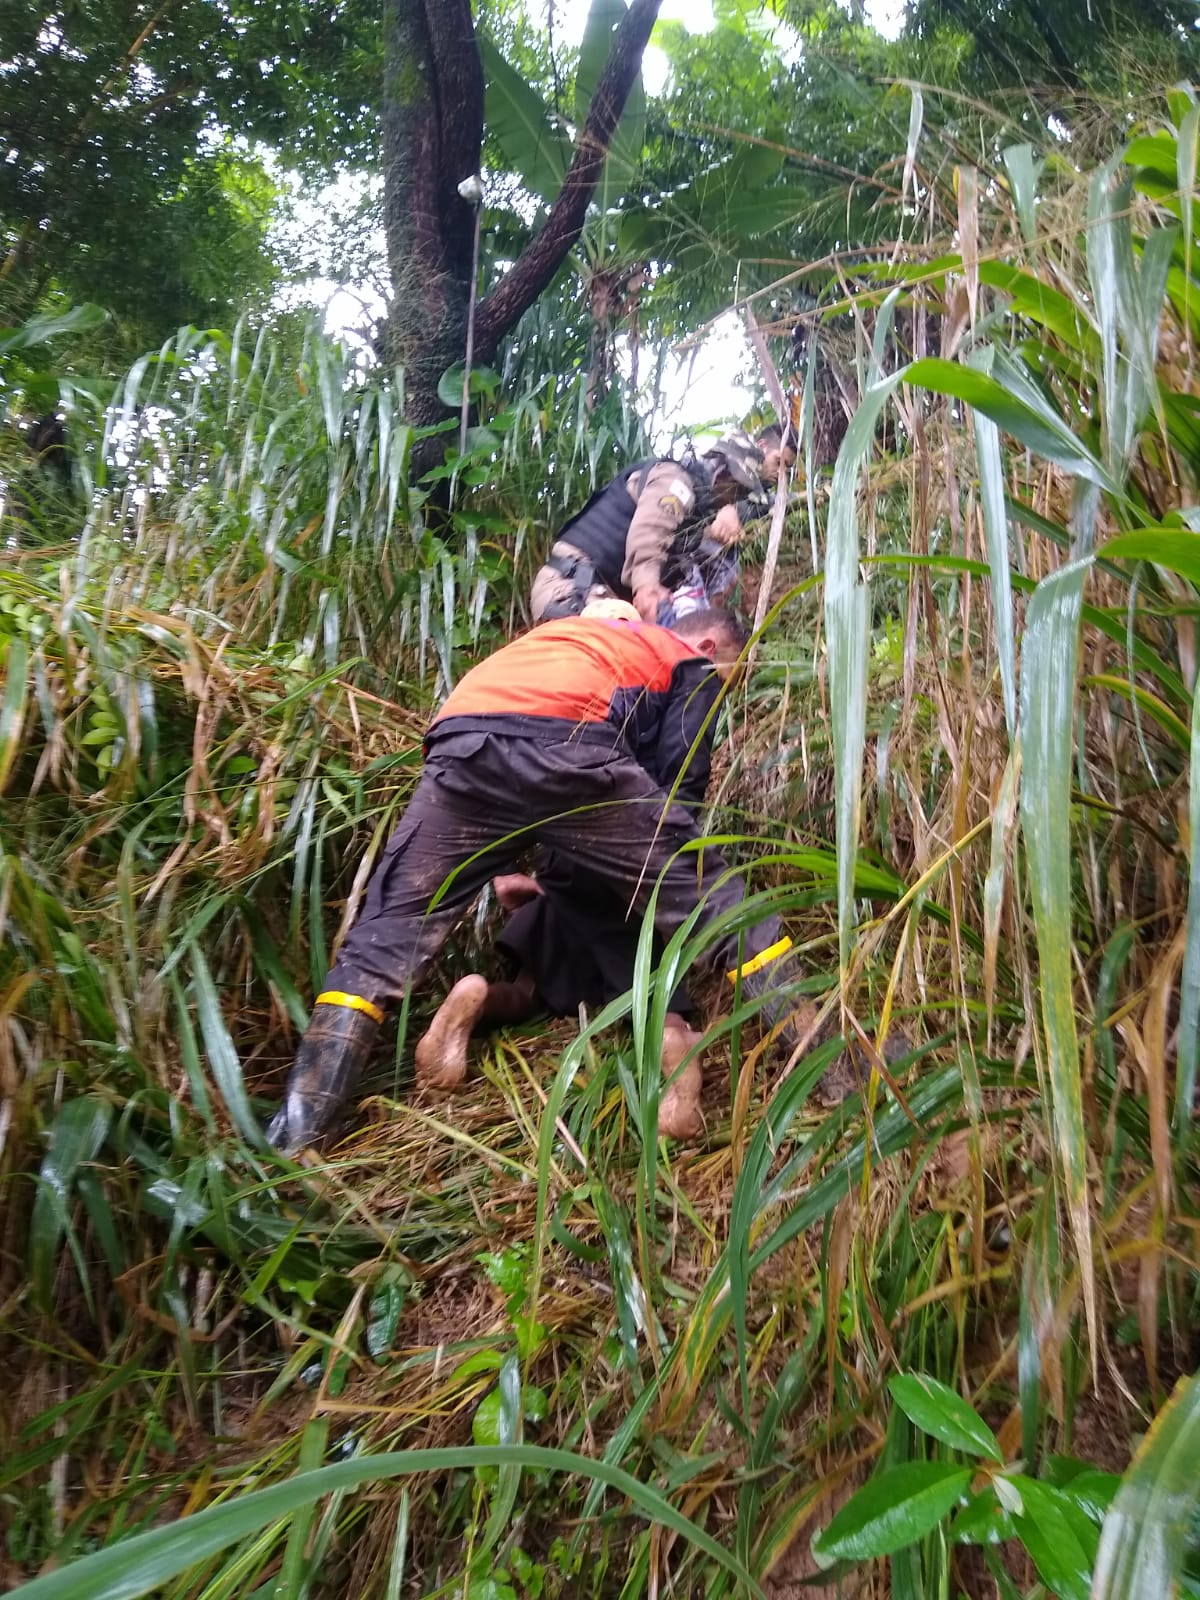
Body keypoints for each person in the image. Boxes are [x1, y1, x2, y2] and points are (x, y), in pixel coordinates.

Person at [266, 608, 802, 1154]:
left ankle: (296, 1138)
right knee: (718, 904)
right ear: (710, 647)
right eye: (729, 678)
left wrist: (516, 869)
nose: (723, 688)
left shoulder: (568, 640)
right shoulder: (684, 660)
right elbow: (678, 784)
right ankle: (835, 1060)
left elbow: (518, 758)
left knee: (382, 939)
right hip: (568, 743)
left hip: (463, 735)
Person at [529, 432, 778, 627]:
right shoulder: (675, 481)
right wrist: (647, 588)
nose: (734, 498)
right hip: (570, 589)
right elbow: (650, 532)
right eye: (736, 489)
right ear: (722, 473)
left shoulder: (693, 510)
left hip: (591, 594)